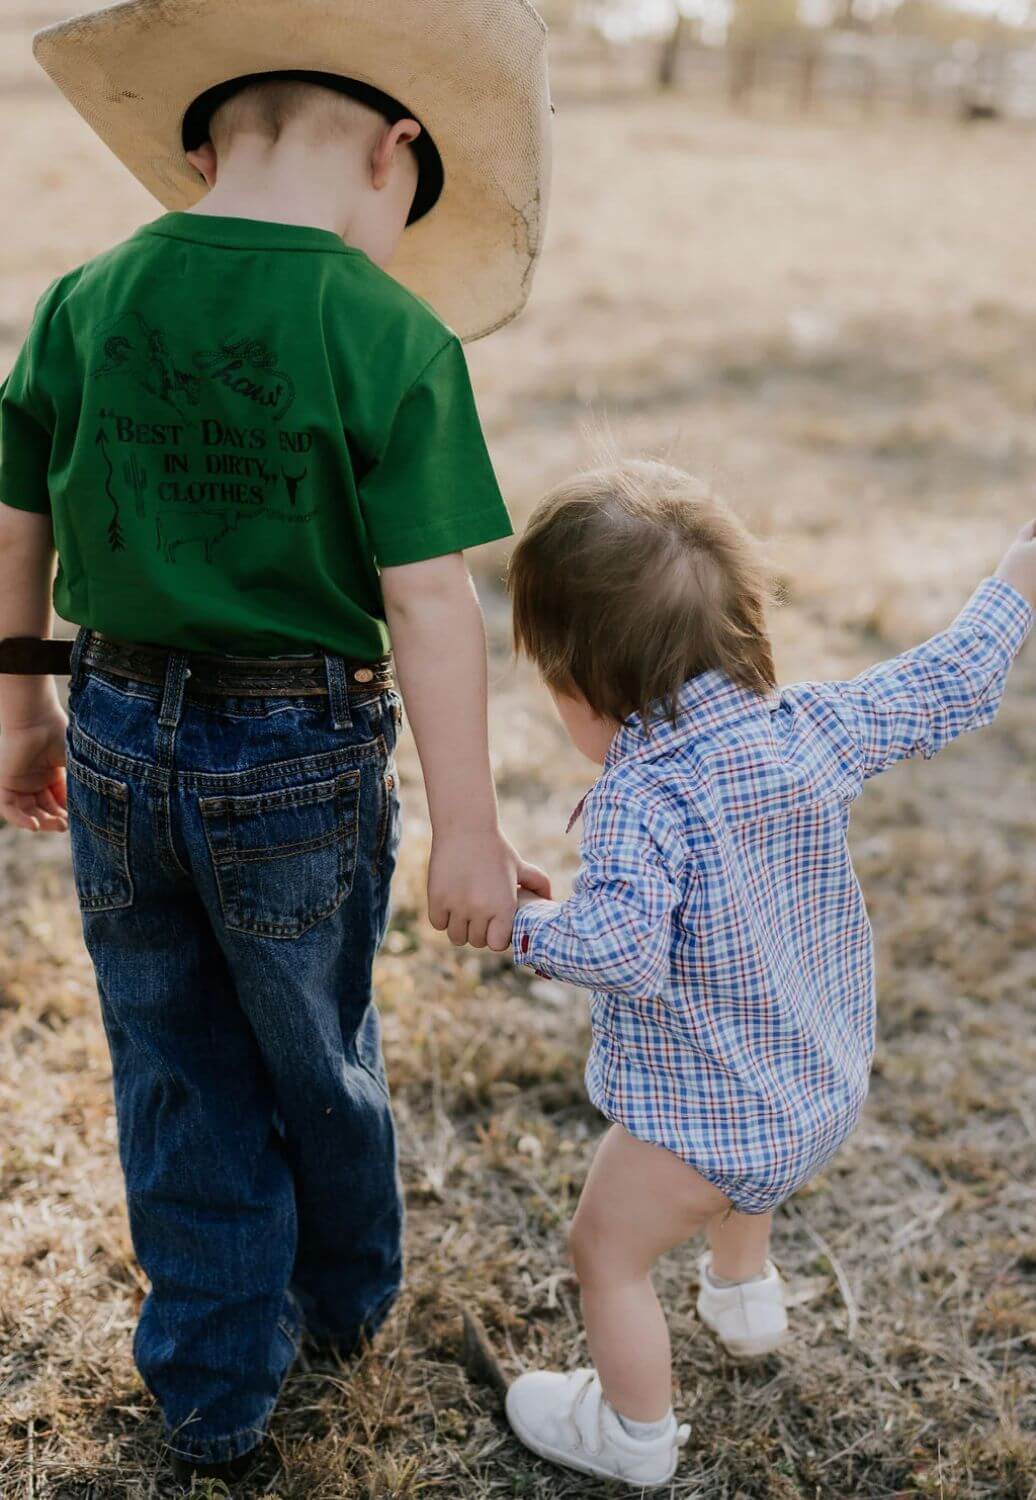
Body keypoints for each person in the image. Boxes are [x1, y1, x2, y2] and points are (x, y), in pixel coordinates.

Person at [0, 0, 551, 1484]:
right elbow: (430, 603)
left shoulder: (81, 298)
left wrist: (23, 703)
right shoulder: (390, 331)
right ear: (397, 151)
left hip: (111, 725)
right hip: (298, 749)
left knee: (171, 1055)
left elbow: (16, 516)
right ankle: (343, 1299)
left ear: (198, 147)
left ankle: (212, 1390)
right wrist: (468, 828)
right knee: (314, 1042)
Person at [504, 459, 1034, 1489]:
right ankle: (743, 1299)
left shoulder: (640, 800)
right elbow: (952, 677)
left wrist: (519, 927)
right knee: (748, 1134)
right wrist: (1016, 572)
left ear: (583, 685)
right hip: (814, 1094)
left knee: (604, 1252)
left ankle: (632, 1433)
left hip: (702, 1125)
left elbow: (618, 948)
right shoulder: (810, 727)